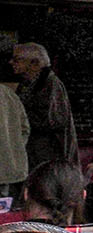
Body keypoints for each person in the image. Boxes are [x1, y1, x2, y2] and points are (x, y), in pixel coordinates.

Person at [10, 43, 76, 172]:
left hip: (47, 157)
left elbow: (55, 120)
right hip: (34, 155)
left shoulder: (50, 84)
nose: (11, 62)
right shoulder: (28, 84)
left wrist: (18, 118)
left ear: (34, 63)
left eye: (17, 59)